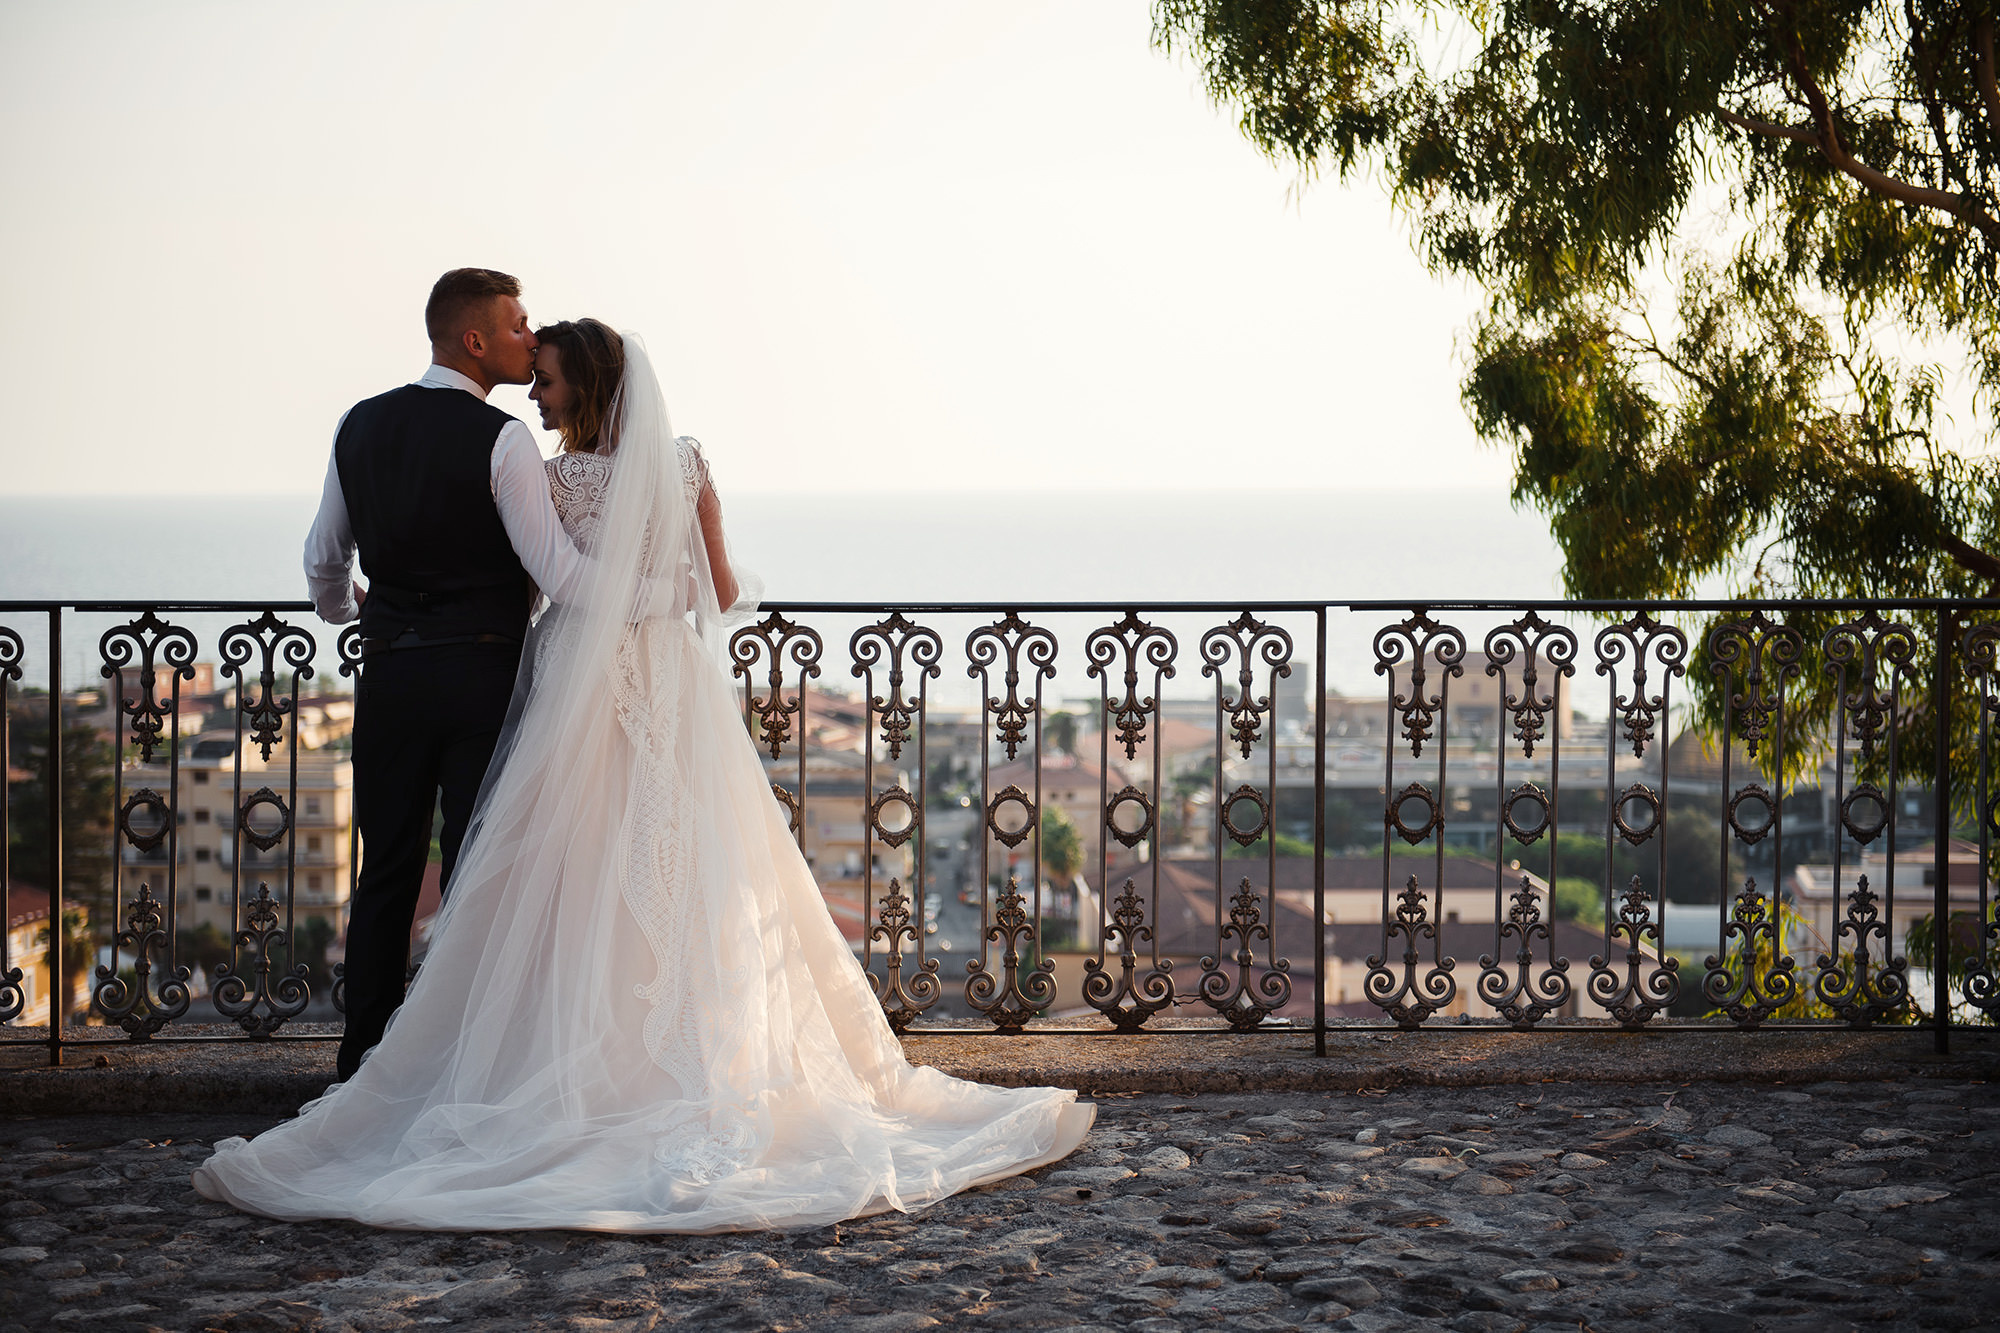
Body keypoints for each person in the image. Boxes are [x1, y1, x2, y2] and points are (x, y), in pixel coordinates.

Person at [192, 305, 1093, 1232]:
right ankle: (684, 1059)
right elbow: (726, 591)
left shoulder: (552, 475)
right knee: (690, 868)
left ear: (582, 385)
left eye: (545, 378)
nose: (534, 392)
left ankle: (503, 1060)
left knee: (564, 872)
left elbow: (540, 580)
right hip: (672, 682)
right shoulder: (686, 461)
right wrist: (665, 598)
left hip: (569, 677)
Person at [301, 268, 599, 1083]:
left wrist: (349, 609)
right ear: (476, 341)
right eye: (518, 326)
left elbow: (324, 559)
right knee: (475, 871)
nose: (531, 340)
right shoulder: (503, 438)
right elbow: (560, 574)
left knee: (387, 865)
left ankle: (363, 1060)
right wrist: (660, 596)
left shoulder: (358, 425)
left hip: (390, 673)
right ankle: (463, 1060)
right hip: (480, 679)